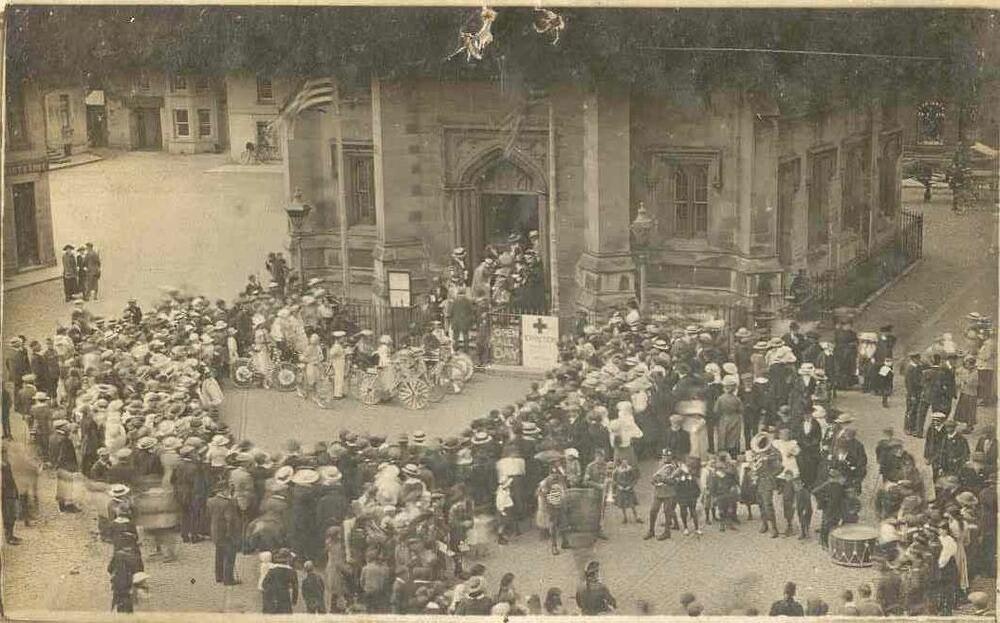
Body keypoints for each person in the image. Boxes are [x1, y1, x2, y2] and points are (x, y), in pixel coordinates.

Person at [207, 483, 242, 585]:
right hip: (226, 532)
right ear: (223, 490)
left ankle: (219, 576)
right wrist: (231, 534)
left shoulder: (210, 501)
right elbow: (229, 520)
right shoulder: (227, 503)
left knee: (219, 554)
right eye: (228, 490)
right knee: (230, 555)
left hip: (215, 531)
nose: (229, 492)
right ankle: (228, 579)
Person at [645, 450, 678, 541]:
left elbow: (674, 481)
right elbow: (654, 476)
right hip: (658, 491)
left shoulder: (673, 467)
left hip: (668, 492)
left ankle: (667, 532)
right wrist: (653, 481)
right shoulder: (660, 465)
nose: (665, 457)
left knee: (667, 512)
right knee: (653, 510)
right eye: (664, 455)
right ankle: (651, 531)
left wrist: (663, 479)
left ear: (671, 457)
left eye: (668, 456)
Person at [262, 548, 299, 614]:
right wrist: (294, 600)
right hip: (285, 599)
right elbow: (295, 588)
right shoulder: (292, 572)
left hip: (273, 599)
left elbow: (264, 584)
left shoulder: (272, 570)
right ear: (288, 559)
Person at [2, 454, 21, 545]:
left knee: (12, 514)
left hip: (11, 491)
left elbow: (12, 478)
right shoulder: (2, 467)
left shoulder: (7, 464)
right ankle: (8, 537)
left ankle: (11, 535)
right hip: (5, 493)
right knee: (7, 515)